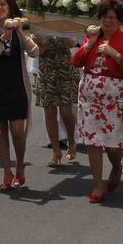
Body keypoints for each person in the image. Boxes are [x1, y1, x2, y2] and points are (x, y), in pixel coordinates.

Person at [73, 0, 123, 204]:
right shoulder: (92, 36)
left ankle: (116, 166)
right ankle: (97, 186)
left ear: (119, 21)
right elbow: (76, 61)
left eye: (112, 18)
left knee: (112, 145)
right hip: (90, 96)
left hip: (114, 97)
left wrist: (115, 54)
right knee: (94, 143)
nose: (108, 21)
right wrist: (91, 42)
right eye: (104, 17)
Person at [0, 0, 41, 191]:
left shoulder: (19, 27)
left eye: (3, 5)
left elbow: (34, 51)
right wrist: (4, 36)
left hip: (17, 85)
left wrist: (19, 32)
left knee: (17, 131)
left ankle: (20, 165)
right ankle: (7, 170)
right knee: (1, 130)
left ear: (10, 8)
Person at [33, 33, 79, 167]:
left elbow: (71, 43)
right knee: (49, 113)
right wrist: (41, 43)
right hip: (46, 70)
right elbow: (36, 52)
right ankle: (56, 151)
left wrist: (60, 36)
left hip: (65, 69)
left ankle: (71, 140)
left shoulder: (60, 24)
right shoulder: (38, 28)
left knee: (66, 111)